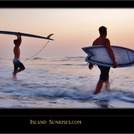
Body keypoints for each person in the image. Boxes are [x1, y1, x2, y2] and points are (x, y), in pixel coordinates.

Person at [88, 26, 118, 94]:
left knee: (105, 76)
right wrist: (114, 60)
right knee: (102, 77)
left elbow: (93, 53)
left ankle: (107, 91)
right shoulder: (106, 40)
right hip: (105, 62)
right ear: (105, 32)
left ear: (99, 32)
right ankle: (95, 94)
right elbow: (110, 50)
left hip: (99, 62)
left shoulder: (95, 42)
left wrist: (91, 63)